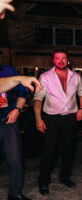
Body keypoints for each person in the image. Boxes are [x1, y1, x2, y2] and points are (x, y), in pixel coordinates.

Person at [33, 49, 82, 196]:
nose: (61, 61)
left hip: (71, 118)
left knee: (69, 150)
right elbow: (38, 98)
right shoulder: (45, 77)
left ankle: (65, 177)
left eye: (63, 58)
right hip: (52, 119)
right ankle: (43, 181)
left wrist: (81, 109)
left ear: (68, 60)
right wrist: (38, 118)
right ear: (53, 60)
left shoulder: (76, 76)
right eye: (58, 58)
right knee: (49, 151)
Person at [0, 65, 31, 200]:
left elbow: (23, 92)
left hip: (8, 122)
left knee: (16, 160)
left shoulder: (8, 70)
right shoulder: (14, 76)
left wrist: (17, 109)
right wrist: (19, 78)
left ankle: (15, 194)